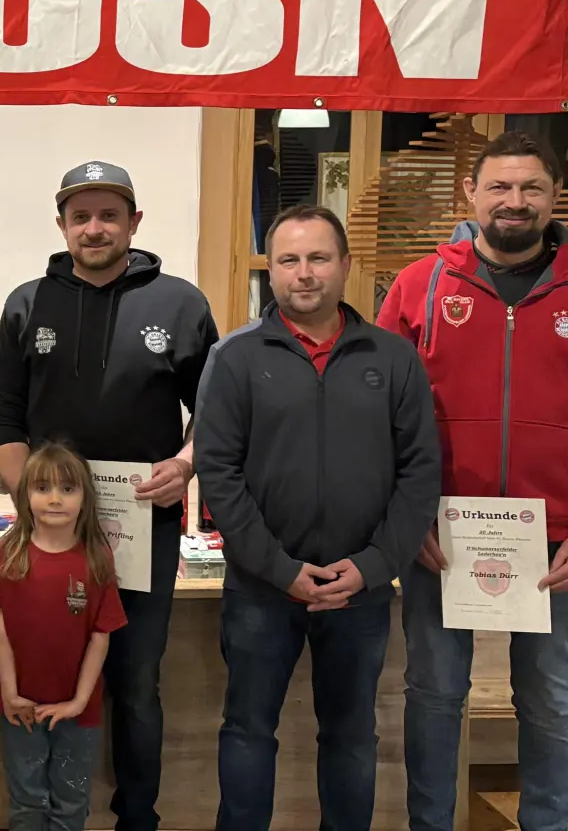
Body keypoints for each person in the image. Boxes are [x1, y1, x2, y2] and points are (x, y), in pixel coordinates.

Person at [377, 131, 568, 831]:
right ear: (469, 194)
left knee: (550, 704)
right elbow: (379, 411)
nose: (515, 201)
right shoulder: (421, 285)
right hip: (441, 538)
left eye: (531, 188)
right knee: (436, 695)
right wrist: (406, 515)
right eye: (500, 187)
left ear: (553, 197)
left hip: (557, 542)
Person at [0, 161, 218, 831]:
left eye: (108, 215)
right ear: (62, 226)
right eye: (80, 216)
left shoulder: (181, 303)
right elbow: (5, 414)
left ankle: (135, 817)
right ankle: (47, 813)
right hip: (46, 536)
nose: (94, 228)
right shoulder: (28, 303)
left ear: (134, 223)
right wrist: (25, 493)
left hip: (142, 526)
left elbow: (216, 410)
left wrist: (185, 461)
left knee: (136, 683)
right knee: (45, 673)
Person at [195, 204, 441, 831]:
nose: (304, 273)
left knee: (352, 736)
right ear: (271, 271)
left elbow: (419, 473)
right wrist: (279, 569)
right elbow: (219, 476)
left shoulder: (393, 359)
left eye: (318, 258)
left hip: (359, 591)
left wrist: (373, 565)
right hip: (261, 589)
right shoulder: (234, 358)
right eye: (289, 260)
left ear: (345, 266)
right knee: (248, 729)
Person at [0, 444, 126, 831]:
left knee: (71, 803)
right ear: (25, 494)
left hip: (78, 711)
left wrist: (78, 701)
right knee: (27, 802)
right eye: (43, 487)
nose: (55, 499)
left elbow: (100, 635)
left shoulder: (96, 557)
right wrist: (9, 692)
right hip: (20, 707)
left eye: (68, 489)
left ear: (85, 498)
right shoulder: (7, 552)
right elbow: (0, 628)